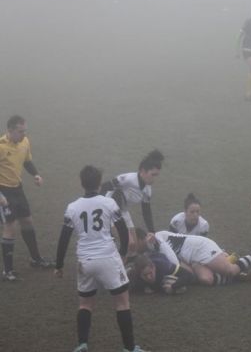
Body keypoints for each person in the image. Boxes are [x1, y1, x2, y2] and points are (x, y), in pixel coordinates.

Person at [54, 165, 147, 352]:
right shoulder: (108, 203)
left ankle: (82, 344)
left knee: (85, 304)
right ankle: (129, 348)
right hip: (107, 258)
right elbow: (122, 230)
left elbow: (64, 237)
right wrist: (122, 252)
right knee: (122, 302)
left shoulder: (72, 207)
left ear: (82, 183)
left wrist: (59, 265)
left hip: (85, 261)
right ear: (98, 184)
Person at [0, 115, 54, 281]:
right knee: (10, 225)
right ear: (9, 130)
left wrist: (36, 174)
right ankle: (7, 271)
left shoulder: (24, 142)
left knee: (28, 221)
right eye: (20, 131)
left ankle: (35, 259)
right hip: (3, 191)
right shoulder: (1, 146)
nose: (23, 134)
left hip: (18, 189)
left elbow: (27, 161)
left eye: (25, 131)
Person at [134, 228, 251, 288]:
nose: (132, 247)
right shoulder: (148, 250)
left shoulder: (157, 238)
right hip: (191, 258)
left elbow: (173, 260)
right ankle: (236, 276)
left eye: (133, 243)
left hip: (200, 248)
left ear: (141, 239)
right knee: (205, 280)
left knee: (229, 270)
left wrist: (178, 275)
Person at [101, 149, 164, 253]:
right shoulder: (127, 179)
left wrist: (152, 231)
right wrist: (98, 206)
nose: (154, 179)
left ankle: (125, 266)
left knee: (134, 247)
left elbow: (146, 211)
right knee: (128, 243)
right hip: (111, 210)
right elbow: (104, 187)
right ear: (143, 171)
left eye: (156, 175)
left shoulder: (147, 190)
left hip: (123, 211)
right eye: (153, 175)